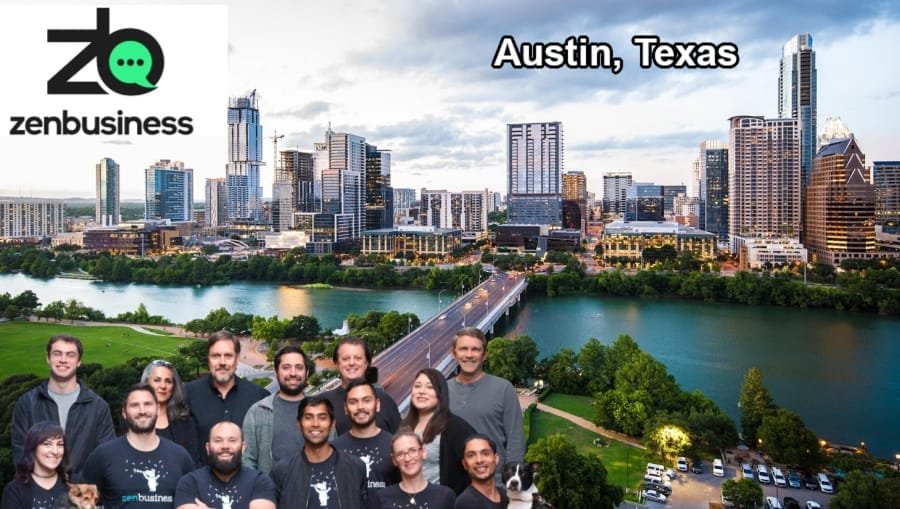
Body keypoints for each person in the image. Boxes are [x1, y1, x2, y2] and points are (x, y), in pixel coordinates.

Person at [77, 383, 195, 508]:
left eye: (148, 404)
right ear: (124, 412)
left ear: (158, 409)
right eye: (135, 405)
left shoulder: (180, 457)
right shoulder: (103, 455)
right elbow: (82, 503)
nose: (142, 411)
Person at [12, 334, 115, 475]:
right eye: (57, 353)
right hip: (38, 492)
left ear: (79, 361)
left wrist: (77, 488)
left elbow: (106, 458)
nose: (63, 360)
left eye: (70, 355)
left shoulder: (99, 407)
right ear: (48, 358)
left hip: (81, 494)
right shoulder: (26, 403)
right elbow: (21, 454)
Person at [447, 328, 525, 472]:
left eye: (475, 349)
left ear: (484, 355)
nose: (469, 355)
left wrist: (512, 480)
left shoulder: (503, 389)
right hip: (454, 485)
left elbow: (516, 440)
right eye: (463, 349)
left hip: (494, 484)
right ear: (454, 354)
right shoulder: (442, 391)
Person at [269, 396, 366, 508]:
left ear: (332, 423)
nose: (315, 424)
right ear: (299, 424)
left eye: (322, 417)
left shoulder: (355, 467)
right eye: (308, 417)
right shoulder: (282, 472)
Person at [185, 331, 269, 461]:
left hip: (248, 480)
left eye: (228, 356)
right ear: (208, 359)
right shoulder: (188, 394)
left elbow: (265, 449)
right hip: (200, 479)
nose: (222, 362)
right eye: (216, 356)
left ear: (237, 359)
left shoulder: (259, 397)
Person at [400, 368, 475, 495]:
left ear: (440, 393)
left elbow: (476, 465)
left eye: (430, 387)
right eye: (417, 386)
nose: (422, 391)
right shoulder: (403, 427)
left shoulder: (456, 427)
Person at [174, 421, 276, 509]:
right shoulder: (190, 483)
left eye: (232, 440)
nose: (225, 446)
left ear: (243, 447)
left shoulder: (260, 481)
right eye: (218, 440)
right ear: (208, 448)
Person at [242, 345, 309, 473]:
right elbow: (248, 459)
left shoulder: (320, 412)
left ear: (307, 372)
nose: (293, 373)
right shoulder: (257, 411)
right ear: (276, 372)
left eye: (299, 367)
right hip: (269, 491)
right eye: (286, 367)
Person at [332, 380, 399, 502]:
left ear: (377, 405)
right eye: (353, 402)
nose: (360, 407)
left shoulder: (395, 445)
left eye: (366, 400)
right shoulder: (333, 450)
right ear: (345, 408)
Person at [320, 337, 401, 436]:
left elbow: (401, 441)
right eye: (345, 359)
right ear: (337, 363)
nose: (352, 363)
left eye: (358, 358)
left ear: (366, 363)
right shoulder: (323, 403)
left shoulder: (384, 400)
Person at [374, 431, 456, 509]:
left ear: (423, 452)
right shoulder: (382, 497)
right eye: (400, 454)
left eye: (413, 450)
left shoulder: (445, 496)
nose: (407, 458)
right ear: (394, 460)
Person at [141, 359, 200, 466]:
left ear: (174, 387)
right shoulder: (133, 419)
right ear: (146, 382)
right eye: (157, 380)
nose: (163, 386)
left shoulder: (185, 422)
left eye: (168, 381)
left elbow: (192, 463)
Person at [1, 422, 69, 509]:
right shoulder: (14, 491)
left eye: (60, 444)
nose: (55, 451)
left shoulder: (73, 489)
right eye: (47, 444)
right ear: (33, 448)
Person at [454, 435, 509, 509]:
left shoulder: (507, 495)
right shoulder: (466, 503)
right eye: (471, 455)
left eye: (485, 453)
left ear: (496, 459)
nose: (479, 460)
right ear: (464, 464)